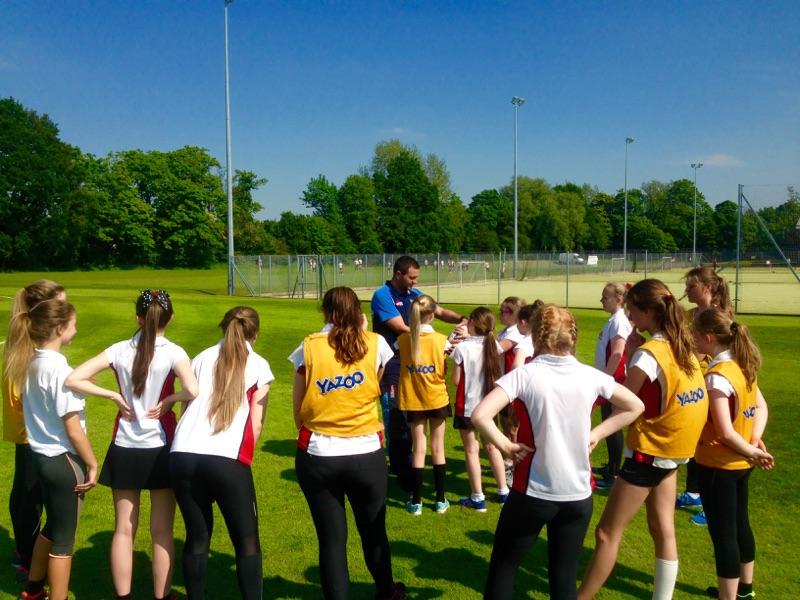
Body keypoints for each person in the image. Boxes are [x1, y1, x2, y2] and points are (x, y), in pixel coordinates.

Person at [472, 305, 644, 599]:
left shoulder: (524, 375)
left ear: (537, 337)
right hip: (577, 497)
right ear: (572, 337)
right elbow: (635, 406)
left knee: (505, 565)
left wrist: (506, 446)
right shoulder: (591, 376)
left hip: (532, 493)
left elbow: (479, 416)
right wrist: (597, 434)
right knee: (563, 577)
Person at [578, 279, 708, 600]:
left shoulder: (650, 354)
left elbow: (625, 397)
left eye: (633, 309)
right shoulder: (683, 346)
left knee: (606, 533)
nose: (630, 315)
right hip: (675, 452)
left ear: (648, 310)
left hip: (649, 453)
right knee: (661, 529)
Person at [64, 289, 197, 600]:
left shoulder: (119, 350)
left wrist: (112, 395)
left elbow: (74, 378)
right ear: (171, 318)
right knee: (162, 530)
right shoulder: (175, 352)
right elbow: (193, 389)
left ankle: (122, 596)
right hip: (161, 447)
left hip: (124, 445)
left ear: (138, 317)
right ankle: (161, 596)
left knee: (124, 528)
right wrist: (170, 400)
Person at [290, 288, 406, 600]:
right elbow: (375, 382)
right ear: (358, 311)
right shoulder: (375, 343)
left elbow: (298, 409)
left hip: (319, 452)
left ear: (325, 311)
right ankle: (387, 591)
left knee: (331, 540)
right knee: (373, 530)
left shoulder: (309, 346)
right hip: (365, 450)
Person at [170, 306, 273, 600]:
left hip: (183, 454)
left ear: (223, 326)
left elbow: (186, 405)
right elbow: (256, 421)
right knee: (247, 541)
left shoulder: (201, 357)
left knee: (197, 536)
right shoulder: (259, 364)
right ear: (255, 333)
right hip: (226, 459)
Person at [6, 298, 97, 600]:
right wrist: (93, 463)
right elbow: (73, 428)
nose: (76, 328)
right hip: (64, 461)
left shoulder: (29, 361)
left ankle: (33, 589)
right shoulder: (59, 370)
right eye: (73, 323)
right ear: (59, 328)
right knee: (64, 540)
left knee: (53, 524)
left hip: (42, 459)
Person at [692, 310, 773, 600]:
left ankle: (729, 596)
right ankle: (745, 590)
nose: (691, 338)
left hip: (719, 465)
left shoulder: (716, 377)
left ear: (708, 337)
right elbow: (761, 408)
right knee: (740, 524)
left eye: (694, 334)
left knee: (723, 534)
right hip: (741, 462)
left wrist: (751, 448)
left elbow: (725, 432)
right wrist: (754, 442)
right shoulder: (742, 364)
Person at [370, 256, 466, 486]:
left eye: (416, 278)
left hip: (417, 364)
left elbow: (439, 311)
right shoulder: (383, 295)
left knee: (416, 413)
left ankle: (410, 464)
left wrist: (464, 320)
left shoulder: (415, 294)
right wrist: (433, 338)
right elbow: (401, 328)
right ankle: (400, 467)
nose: (414, 282)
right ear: (398, 274)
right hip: (393, 363)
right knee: (396, 415)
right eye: (411, 278)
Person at [3, 280, 65, 582]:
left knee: (27, 493)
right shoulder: (27, 350)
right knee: (31, 496)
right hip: (35, 436)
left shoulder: (25, 344)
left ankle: (26, 551)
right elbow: (21, 399)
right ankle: (29, 557)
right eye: (61, 305)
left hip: (30, 435)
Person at [678, 266, 734, 525]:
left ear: (707, 288)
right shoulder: (691, 315)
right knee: (695, 439)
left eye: (691, 286)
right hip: (692, 380)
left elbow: (704, 352)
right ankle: (694, 492)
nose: (687, 291)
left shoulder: (719, 316)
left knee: (712, 440)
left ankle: (712, 507)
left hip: (712, 383)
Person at [396, 295, 451, 515]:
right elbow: (444, 366)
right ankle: (440, 500)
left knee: (418, 447)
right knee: (438, 448)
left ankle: (416, 502)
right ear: (432, 314)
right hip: (436, 397)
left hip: (414, 399)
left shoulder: (401, 340)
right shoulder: (441, 340)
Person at [451, 307, 507, 511]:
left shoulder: (463, 349)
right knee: (492, 447)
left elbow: (456, 381)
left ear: (473, 323)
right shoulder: (494, 346)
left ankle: (478, 496)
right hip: (489, 404)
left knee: (471, 450)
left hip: (467, 405)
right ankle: (503, 491)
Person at [592, 282, 634, 489]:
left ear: (619, 299)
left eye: (605, 297)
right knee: (608, 425)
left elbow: (618, 353)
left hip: (612, 381)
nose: (602, 300)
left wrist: (605, 381)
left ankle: (614, 473)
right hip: (608, 379)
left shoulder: (619, 322)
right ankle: (611, 466)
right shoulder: (613, 320)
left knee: (612, 426)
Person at [496, 297, 526, 373]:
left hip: (510, 375)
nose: (500, 314)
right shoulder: (506, 330)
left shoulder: (516, 332)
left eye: (504, 312)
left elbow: (496, 349)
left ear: (515, 314)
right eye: (500, 311)